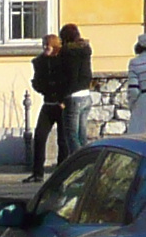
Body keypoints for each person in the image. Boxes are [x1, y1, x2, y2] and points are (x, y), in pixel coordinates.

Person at [27, 31, 75, 177]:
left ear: (54, 46)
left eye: (48, 45)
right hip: (48, 104)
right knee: (40, 137)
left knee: (63, 140)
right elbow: (37, 82)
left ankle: (61, 173)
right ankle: (37, 173)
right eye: (44, 45)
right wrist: (42, 87)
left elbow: (67, 82)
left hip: (61, 104)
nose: (45, 48)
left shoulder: (62, 61)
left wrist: (62, 98)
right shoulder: (40, 62)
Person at [56, 23, 95, 156]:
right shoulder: (85, 50)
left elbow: (65, 77)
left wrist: (61, 97)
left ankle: (79, 163)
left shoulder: (66, 52)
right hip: (86, 94)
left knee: (71, 135)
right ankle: (88, 162)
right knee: (82, 135)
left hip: (73, 96)